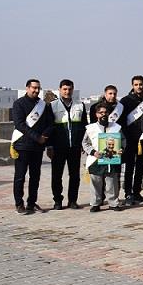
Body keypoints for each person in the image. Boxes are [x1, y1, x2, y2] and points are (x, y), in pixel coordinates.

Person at [11, 79, 53, 214]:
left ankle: (31, 203)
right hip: (22, 145)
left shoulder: (43, 105)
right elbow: (20, 125)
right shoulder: (18, 104)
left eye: (38, 88)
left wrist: (45, 137)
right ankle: (19, 203)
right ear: (27, 88)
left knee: (35, 177)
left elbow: (50, 123)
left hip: (37, 147)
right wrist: (37, 137)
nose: (36, 90)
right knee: (20, 176)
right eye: (33, 88)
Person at [48, 78, 87, 210]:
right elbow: (49, 128)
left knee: (75, 175)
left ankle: (72, 200)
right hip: (58, 147)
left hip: (75, 147)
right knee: (56, 175)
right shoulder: (52, 106)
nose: (67, 91)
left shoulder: (80, 105)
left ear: (73, 90)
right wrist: (49, 146)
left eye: (69, 89)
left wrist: (83, 143)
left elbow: (84, 126)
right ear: (60, 90)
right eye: (64, 89)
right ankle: (58, 200)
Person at [82, 103, 125, 212]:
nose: (103, 115)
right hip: (95, 159)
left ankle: (113, 203)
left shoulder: (116, 127)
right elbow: (85, 143)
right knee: (96, 182)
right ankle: (96, 203)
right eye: (101, 113)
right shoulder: (90, 128)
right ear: (96, 114)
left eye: (105, 112)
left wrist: (122, 149)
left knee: (112, 182)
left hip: (111, 159)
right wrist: (92, 152)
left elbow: (123, 140)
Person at [118, 76, 143, 205]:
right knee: (129, 167)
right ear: (132, 85)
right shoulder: (125, 101)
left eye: (141, 84)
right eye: (136, 84)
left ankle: (137, 192)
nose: (139, 86)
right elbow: (121, 121)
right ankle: (128, 192)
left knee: (140, 167)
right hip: (130, 139)